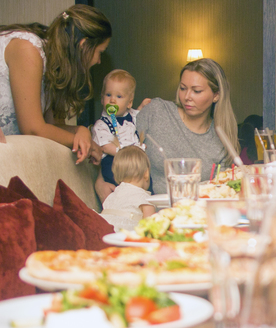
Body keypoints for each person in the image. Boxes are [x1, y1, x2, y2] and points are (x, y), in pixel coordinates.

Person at [0, 5, 111, 165]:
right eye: (100, 52)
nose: (99, 61)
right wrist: (83, 143)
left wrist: (80, 131)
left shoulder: (55, 63)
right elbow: (32, 129)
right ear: (84, 45)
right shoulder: (28, 49)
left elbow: (51, 126)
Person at [131, 58, 240, 195]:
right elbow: (120, 146)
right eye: (183, 88)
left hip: (193, 207)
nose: (187, 96)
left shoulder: (221, 141)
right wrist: (104, 179)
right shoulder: (156, 111)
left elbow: (221, 191)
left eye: (197, 91)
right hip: (141, 203)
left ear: (216, 95)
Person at [91, 69, 144, 189]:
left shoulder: (132, 116)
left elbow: (141, 116)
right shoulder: (101, 125)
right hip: (115, 163)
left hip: (135, 163)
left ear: (129, 103)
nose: (112, 100)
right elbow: (106, 146)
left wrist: (143, 106)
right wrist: (125, 154)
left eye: (119, 96)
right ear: (102, 98)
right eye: (108, 95)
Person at [99, 145, 154, 231]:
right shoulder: (145, 199)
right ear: (146, 174)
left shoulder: (111, 196)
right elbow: (150, 229)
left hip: (103, 230)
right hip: (126, 233)